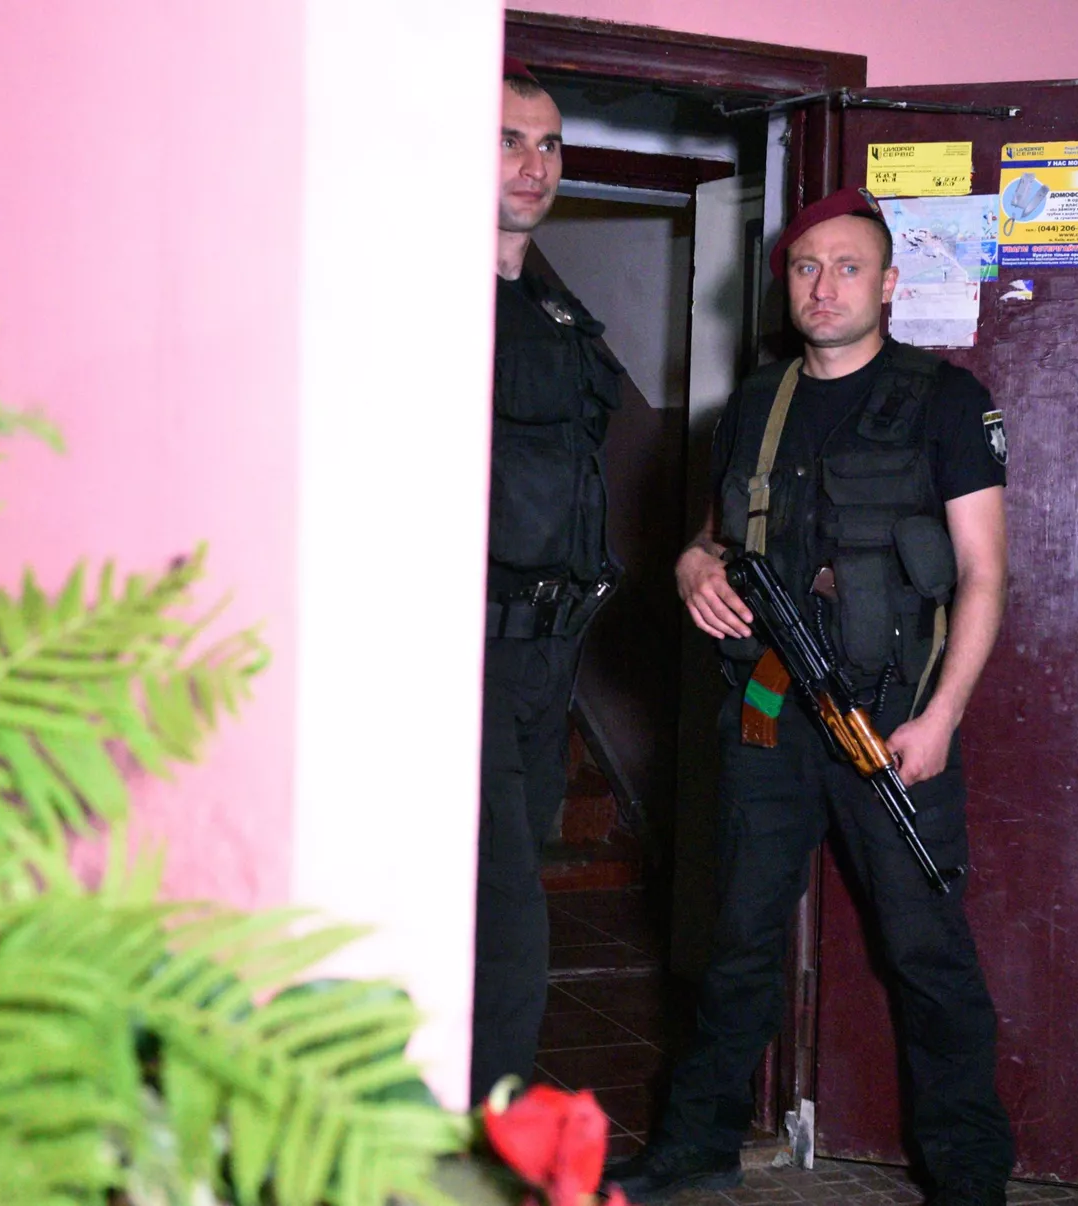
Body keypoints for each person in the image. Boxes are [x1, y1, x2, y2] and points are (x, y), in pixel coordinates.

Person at [606, 187, 1016, 1206]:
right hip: (769, 713)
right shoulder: (756, 403)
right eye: (804, 267)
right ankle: (697, 1144)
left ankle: (968, 1176)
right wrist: (691, 565)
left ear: (889, 284)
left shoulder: (945, 401)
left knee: (926, 951)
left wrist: (942, 718)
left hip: (894, 719)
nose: (822, 286)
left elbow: (984, 574)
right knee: (736, 941)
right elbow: (714, 538)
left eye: (846, 267)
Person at [473, 57, 622, 1104]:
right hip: (461, 652)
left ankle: (476, 1119)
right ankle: (492, 1134)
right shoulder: (434, 300)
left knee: (509, 889)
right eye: (508, 140)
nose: (534, 164)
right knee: (508, 915)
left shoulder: (559, 310)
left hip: (547, 655)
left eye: (549, 143)